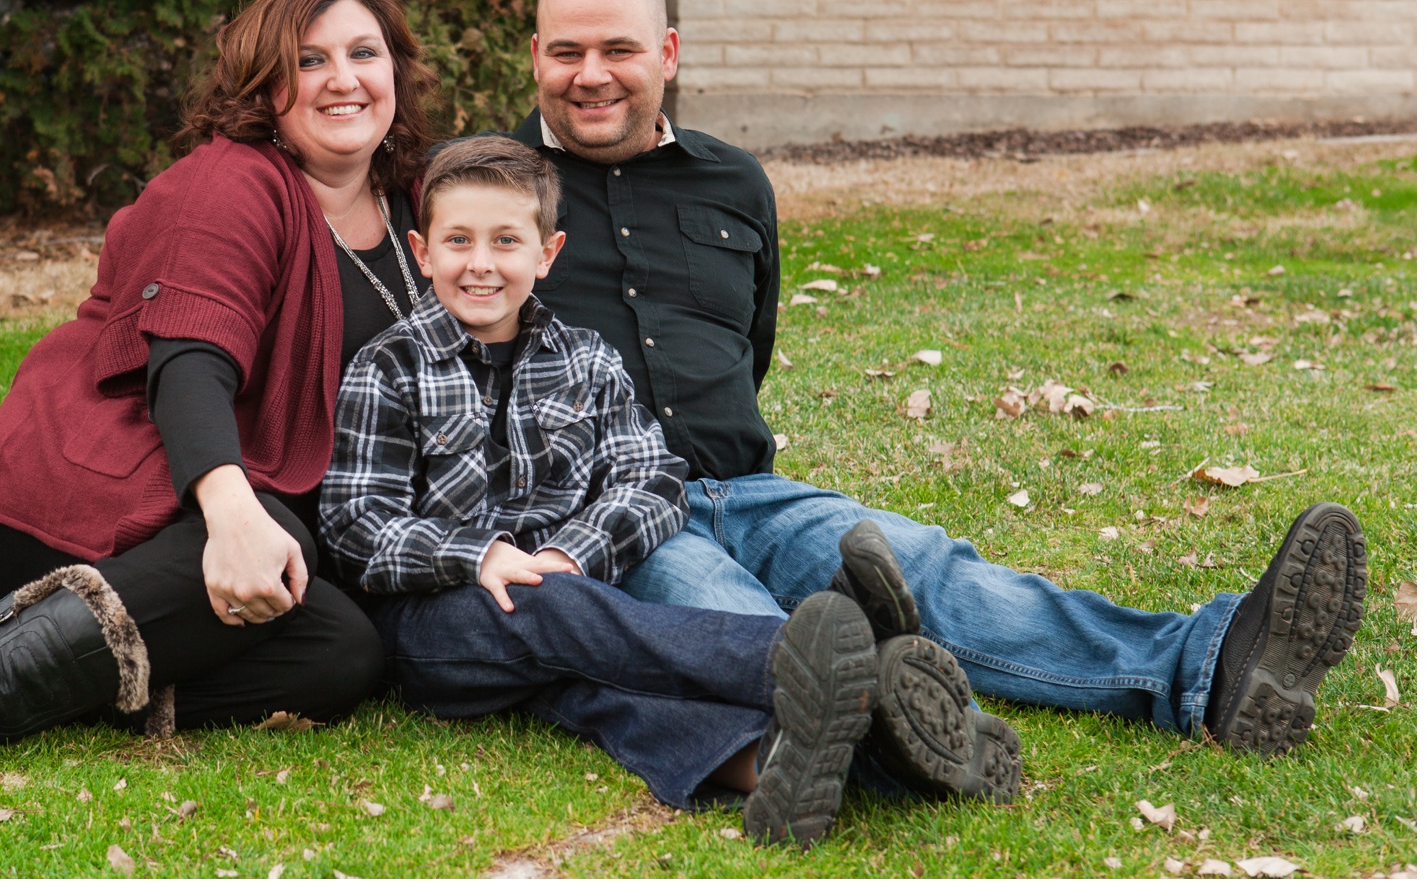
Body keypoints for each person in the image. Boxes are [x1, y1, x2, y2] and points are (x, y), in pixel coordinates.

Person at [503, 0, 1369, 758]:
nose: (591, 75)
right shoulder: (490, 192)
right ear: (536, 53)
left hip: (752, 490)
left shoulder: (733, 182)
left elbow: (748, 343)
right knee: (745, 626)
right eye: (568, 51)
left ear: (669, 52)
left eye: (619, 49)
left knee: (931, 570)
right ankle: (903, 733)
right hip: (609, 519)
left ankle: (1207, 664)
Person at [0, 0, 439, 812]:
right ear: (266, 85)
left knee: (347, 653)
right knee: (276, 535)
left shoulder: (419, 199)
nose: (344, 79)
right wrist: (236, 513)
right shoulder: (233, 181)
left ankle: (23, 657)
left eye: (364, 51)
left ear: (397, 67)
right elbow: (189, 364)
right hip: (96, 477)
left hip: (228, 508)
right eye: (310, 61)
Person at [320, 136, 1020, 849]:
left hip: (578, 600)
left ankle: (804, 762)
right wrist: (480, 556)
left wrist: (571, 550)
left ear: (547, 252)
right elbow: (353, 522)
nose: (480, 263)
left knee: (603, 690)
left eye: (506, 240)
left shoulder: (586, 358)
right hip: (436, 624)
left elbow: (652, 479)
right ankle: (811, 656)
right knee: (557, 611)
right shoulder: (389, 366)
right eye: (458, 240)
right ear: (422, 249)